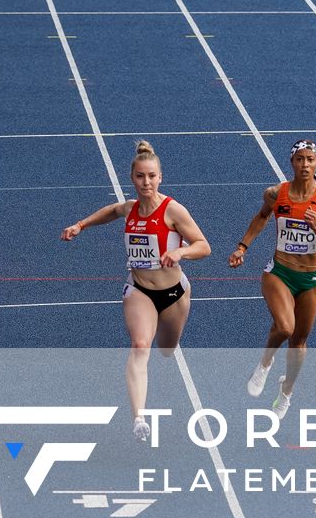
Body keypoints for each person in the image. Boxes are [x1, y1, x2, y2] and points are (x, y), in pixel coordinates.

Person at [60, 140, 211, 442]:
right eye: (141, 176)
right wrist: (82, 225)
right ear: (132, 178)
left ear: (160, 178)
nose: (146, 182)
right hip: (139, 289)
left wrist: (180, 254)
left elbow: (204, 246)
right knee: (140, 345)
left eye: (152, 176)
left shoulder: (173, 211)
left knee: (167, 350)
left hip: (174, 294)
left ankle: (166, 344)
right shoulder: (130, 209)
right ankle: (139, 419)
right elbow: (112, 210)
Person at [230, 140, 316, 417]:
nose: (305, 165)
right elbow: (261, 217)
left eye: (310, 160)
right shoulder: (275, 194)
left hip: (310, 279)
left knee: (299, 343)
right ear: (291, 163)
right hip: (279, 273)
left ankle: (286, 393)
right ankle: (264, 364)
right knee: (285, 327)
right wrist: (242, 247)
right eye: (300, 159)